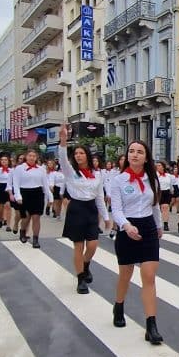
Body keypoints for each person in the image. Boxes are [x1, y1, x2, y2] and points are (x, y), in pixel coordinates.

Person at [109, 140, 164, 344]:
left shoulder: (152, 179)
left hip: (148, 228)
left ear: (146, 157)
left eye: (139, 152)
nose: (135, 155)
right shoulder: (119, 180)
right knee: (126, 274)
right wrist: (126, 226)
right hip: (127, 229)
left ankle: (151, 325)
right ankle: (119, 305)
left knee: (149, 276)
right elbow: (116, 209)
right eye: (131, 151)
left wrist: (159, 226)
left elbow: (155, 205)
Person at [58, 125, 109, 294]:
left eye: (81, 153)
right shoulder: (71, 172)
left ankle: (86, 265)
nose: (78, 156)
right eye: (76, 153)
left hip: (91, 209)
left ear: (87, 155)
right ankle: (80, 279)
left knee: (93, 245)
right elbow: (63, 159)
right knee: (78, 246)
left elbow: (100, 196)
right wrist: (63, 141)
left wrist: (106, 217)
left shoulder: (97, 174)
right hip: (77, 208)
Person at [10, 149, 52, 248]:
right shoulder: (19, 168)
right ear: (26, 157)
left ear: (36, 157)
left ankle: (36, 239)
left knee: (36, 217)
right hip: (24, 193)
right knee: (26, 217)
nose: (32, 157)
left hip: (37, 193)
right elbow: (16, 183)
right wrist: (18, 196)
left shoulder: (41, 169)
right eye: (30, 155)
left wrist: (50, 196)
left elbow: (45, 184)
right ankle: (22, 231)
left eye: (34, 156)